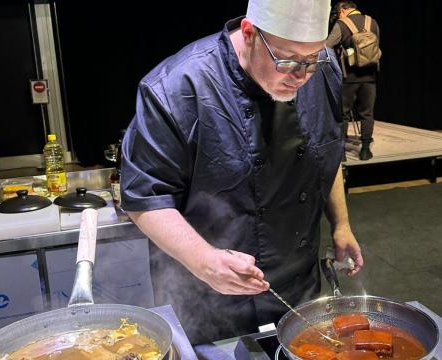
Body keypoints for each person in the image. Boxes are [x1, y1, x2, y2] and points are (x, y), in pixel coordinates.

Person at [120, 0, 364, 344]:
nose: (301, 75)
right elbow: (145, 198)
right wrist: (205, 260)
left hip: (298, 285)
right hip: (208, 293)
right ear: (249, 33)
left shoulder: (321, 72)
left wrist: (341, 224)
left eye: (313, 59)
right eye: (288, 60)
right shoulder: (177, 88)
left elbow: (326, 151)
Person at [326, 1, 380, 160]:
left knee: (342, 115)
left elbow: (328, 45)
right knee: (367, 114)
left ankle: (341, 153)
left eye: (338, 12)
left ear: (343, 10)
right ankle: (365, 150)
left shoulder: (342, 24)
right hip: (370, 77)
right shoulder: (373, 22)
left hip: (348, 78)